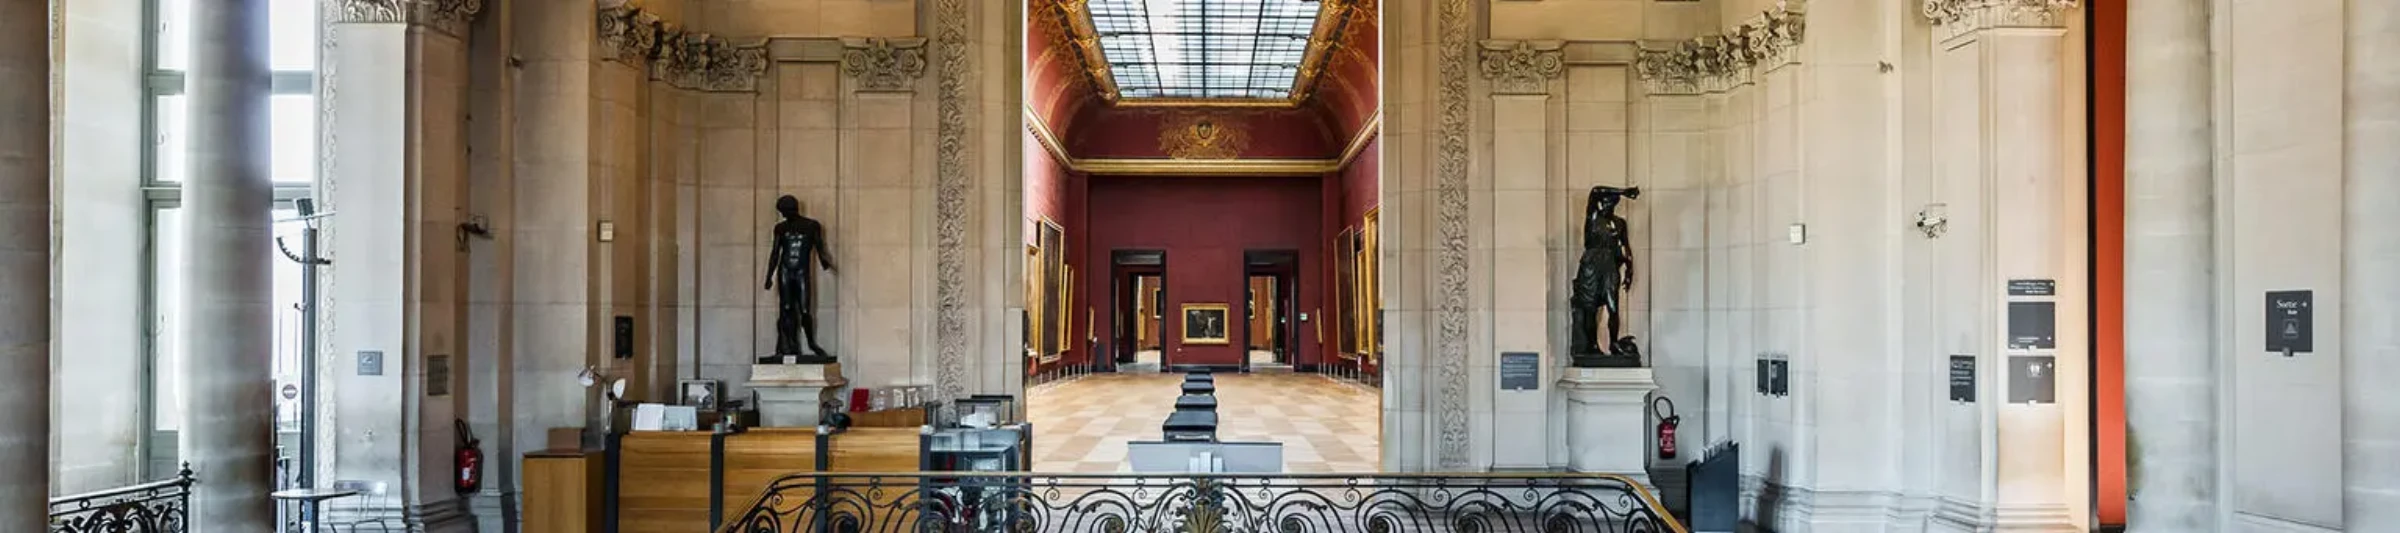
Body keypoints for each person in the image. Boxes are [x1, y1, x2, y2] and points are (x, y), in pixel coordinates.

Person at [1571, 186, 1639, 366]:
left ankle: (1614, 343)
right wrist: (1623, 191)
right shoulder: (1593, 218)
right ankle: (1592, 345)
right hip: (1591, 265)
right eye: (1605, 200)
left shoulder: (1619, 223)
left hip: (1610, 265)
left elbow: (1625, 247)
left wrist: (1629, 269)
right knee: (1590, 309)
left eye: (1610, 201)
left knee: (1613, 307)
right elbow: (1595, 191)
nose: (1605, 204)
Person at [763, 195, 836, 361]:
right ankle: (787, 346)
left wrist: (824, 260)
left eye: (783, 211)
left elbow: (819, 247)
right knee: (786, 308)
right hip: (785, 270)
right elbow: (775, 254)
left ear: (791, 209)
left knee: (804, 310)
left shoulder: (811, 225)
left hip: (801, 271)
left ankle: (811, 343)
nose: (782, 215)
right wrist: (769, 276)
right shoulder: (780, 228)